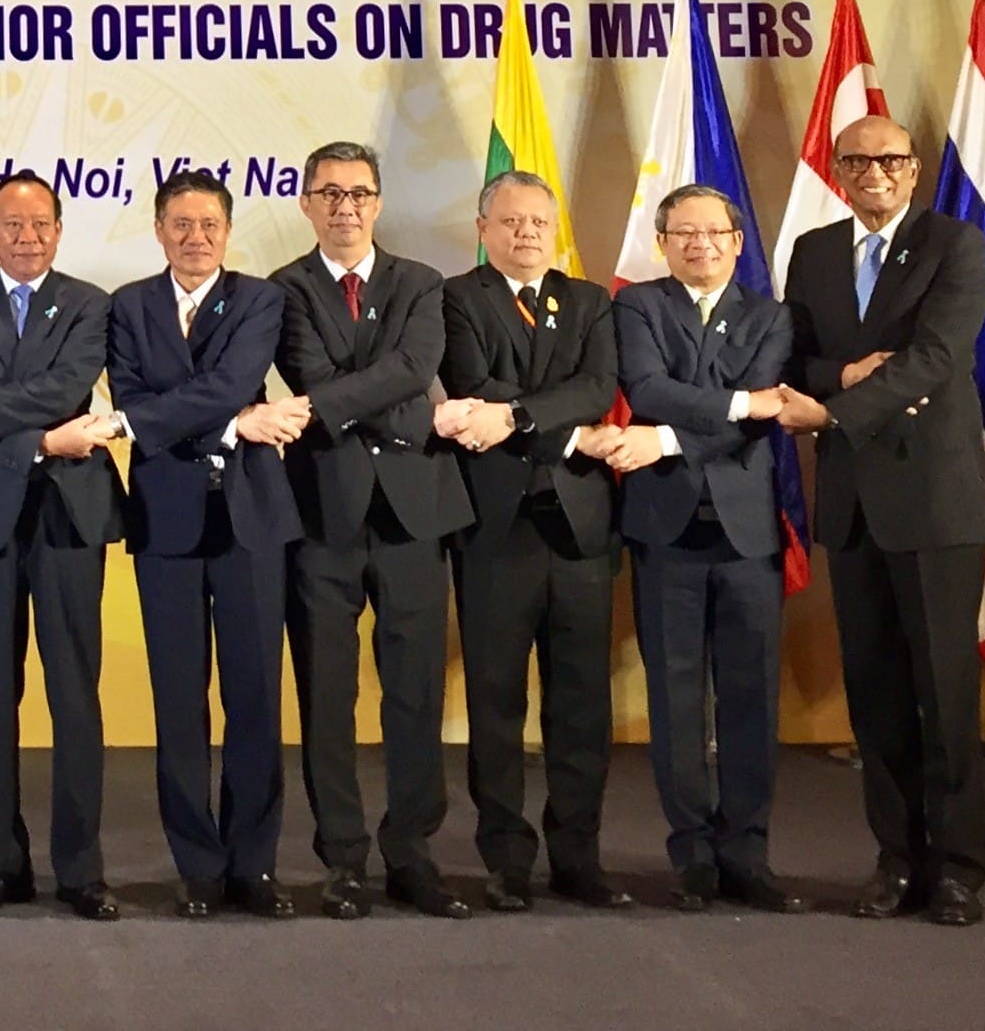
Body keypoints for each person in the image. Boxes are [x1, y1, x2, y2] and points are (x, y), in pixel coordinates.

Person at [776, 114, 985, 927]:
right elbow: (793, 357)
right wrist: (838, 373)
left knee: (944, 693)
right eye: (857, 160)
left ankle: (958, 870)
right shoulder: (816, 252)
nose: (873, 173)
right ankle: (895, 860)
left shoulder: (954, 244)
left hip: (932, 500)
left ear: (912, 170)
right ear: (837, 169)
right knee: (874, 696)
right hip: (854, 504)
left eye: (889, 160)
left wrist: (833, 412)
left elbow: (937, 357)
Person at [269, 141, 473, 922]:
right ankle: (343, 858)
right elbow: (312, 376)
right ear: (306, 204)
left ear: (378, 203)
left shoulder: (421, 283)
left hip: (414, 512)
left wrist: (366, 396)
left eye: (357, 193)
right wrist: (407, 405)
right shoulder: (281, 290)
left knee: (414, 693)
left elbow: (417, 358)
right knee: (327, 692)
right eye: (328, 193)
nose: (344, 207)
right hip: (322, 513)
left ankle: (412, 853)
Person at [601, 184, 805, 914]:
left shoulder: (772, 316)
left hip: (747, 532)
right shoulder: (637, 306)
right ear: (662, 243)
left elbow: (765, 407)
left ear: (737, 241)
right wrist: (730, 405)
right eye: (682, 234)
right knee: (675, 697)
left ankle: (746, 851)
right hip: (665, 531)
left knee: (750, 697)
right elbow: (649, 386)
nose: (700, 245)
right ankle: (689, 852)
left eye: (713, 233)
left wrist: (663, 438)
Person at [107, 168, 300, 919]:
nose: (195, 238)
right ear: (158, 231)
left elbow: (230, 382)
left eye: (208, 225)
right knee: (177, 700)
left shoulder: (259, 299)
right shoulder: (127, 306)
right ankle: (195, 864)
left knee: (254, 698)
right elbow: (128, 398)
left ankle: (253, 866)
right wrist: (227, 423)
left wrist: (203, 417)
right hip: (166, 521)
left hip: (251, 518)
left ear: (227, 232)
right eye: (180, 225)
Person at [0, 171, 119, 921]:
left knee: (75, 694)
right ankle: (0, 863)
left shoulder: (88, 304)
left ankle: (81, 870)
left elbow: (62, 386)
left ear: (59, 229)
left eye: (41, 223)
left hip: (70, 516)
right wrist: (37, 440)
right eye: (13, 224)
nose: (28, 236)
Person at [436, 170, 627, 912]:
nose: (525, 234)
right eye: (509, 222)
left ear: (556, 232)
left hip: (579, 528)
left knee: (580, 705)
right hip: (494, 529)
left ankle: (578, 857)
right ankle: (505, 859)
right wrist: (546, 415)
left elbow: (594, 387)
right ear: (482, 229)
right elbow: (468, 381)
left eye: (538, 223)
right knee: (495, 702)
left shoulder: (587, 302)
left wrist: (513, 418)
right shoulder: (457, 299)